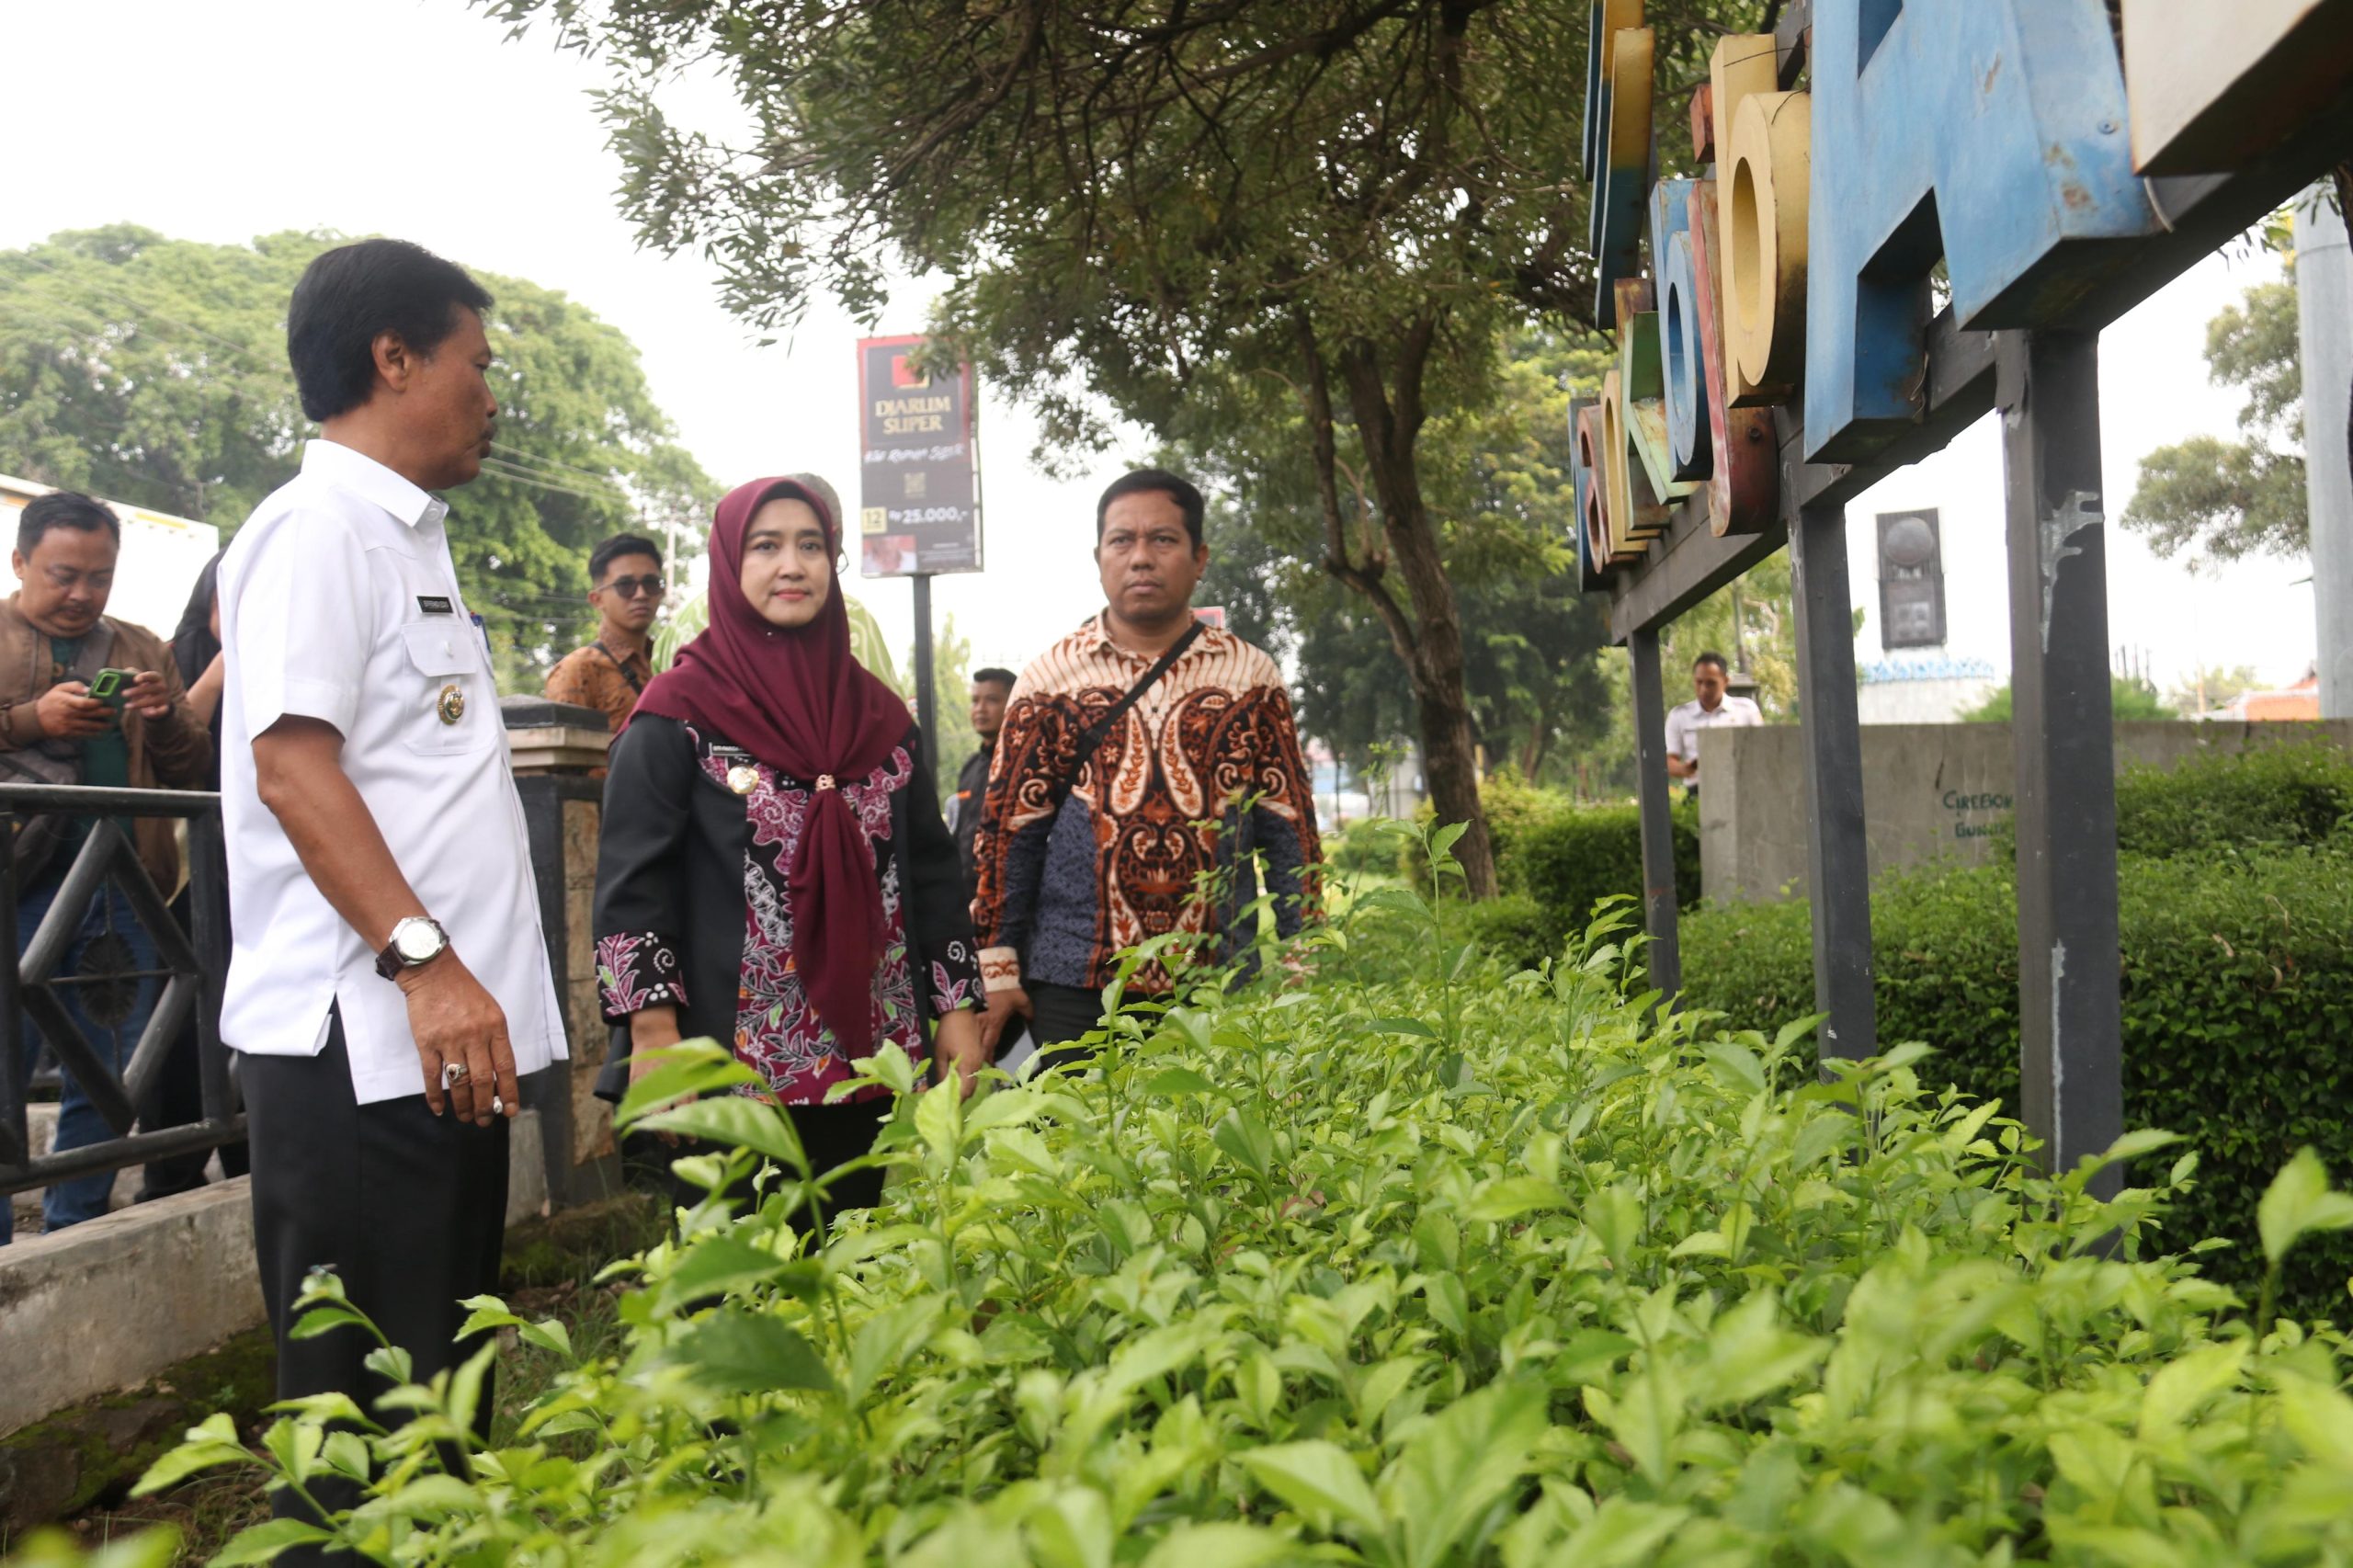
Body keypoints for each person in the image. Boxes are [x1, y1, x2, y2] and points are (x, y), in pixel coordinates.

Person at [218, 237, 567, 1553]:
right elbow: (292, 767)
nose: (491, 394)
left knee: (436, 1399)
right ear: (394, 358)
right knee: (357, 1429)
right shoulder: (318, 531)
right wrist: (427, 962)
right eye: (477, 364)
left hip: (428, 1051)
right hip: (365, 1047)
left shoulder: (395, 536)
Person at [593, 476, 985, 1229]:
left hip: (869, 1055)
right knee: (739, 1282)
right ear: (728, 568)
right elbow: (632, 887)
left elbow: (931, 877)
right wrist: (653, 1035)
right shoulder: (676, 715)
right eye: (765, 546)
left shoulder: (880, 719)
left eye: (811, 546)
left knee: (860, 1259)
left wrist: (957, 1009)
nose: (792, 565)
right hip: (725, 1064)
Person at [972, 468, 1320, 1068]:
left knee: (1217, 1153)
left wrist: (1303, 961)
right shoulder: (1051, 679)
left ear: (1199, 557)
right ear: (1099, 556)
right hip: (1075, 981)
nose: (1140, 558)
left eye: (1162, 540)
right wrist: (999, 970)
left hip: (1216, 979)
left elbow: (1288, 828)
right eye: (1121, 541)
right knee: (1074, 1152)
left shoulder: (1250, 678)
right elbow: (1009, 833)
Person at [0, 491, 210, 1244]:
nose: (81, 594)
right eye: (62, 574)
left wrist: (164, 717)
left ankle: (75, 1224)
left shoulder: (142, 646)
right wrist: (32, 720)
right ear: (21, 561)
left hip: (125, 883)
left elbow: (193, 771)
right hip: (16, 885)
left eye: (99, 578)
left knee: (110, 1062)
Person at [139, 551, 251, 1204]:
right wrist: (223, 661)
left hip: (259, 879)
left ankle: (247, 1157)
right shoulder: (169, 660)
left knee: (249, 1026)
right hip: (184, 880)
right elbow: (180, 757)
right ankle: (169, 1176)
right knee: (184, 1029)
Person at [544, 532, 664, 733]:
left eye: (650, 583)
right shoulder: (579, 670)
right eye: (626, 585)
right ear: (596, 599)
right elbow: (562, 757)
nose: (641, 594)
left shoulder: (667, 661)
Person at [950, 666, 1016, 903]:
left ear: (1013, 703)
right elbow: (960, 833)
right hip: (966, 898)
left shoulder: (1025, 765)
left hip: (1007, 898)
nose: (980, 709)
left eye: (992, 700)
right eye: (975, 701)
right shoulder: (971, 767)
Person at [1663, 651, 1762, 796]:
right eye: (1699, 682)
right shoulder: (1679, 715)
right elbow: (1670, 762)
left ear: (1726, 681)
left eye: (1711, 683)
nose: (1704, 689)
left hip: (1741, 790)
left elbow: (1762, 752)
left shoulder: (1746, 710)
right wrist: (1687, 769)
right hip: (1698, 792)